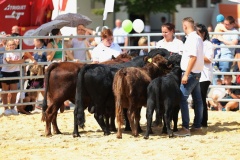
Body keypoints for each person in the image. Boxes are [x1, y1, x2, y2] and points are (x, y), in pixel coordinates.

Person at [173, 17, 204, 137]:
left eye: (183, 26)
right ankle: (197, 126)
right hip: (196, 73)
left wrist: (186, 74)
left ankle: (185, 128)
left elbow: (193, 57)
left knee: (182, 98)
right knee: (198, 99)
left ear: (185, 26)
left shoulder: (192, 39)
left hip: (190, 73)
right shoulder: (198, 38)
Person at [195, 23, 214, 127]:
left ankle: (203, 121)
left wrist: (196, 56)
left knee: (201, 98)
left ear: (203, 33)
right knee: (197, 99)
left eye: (198, 33)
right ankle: (198, 120)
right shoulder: (197, 44)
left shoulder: (208, 44)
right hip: (197, 74)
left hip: (205, 75)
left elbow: (208, 59)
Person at [1, 39, 25, 115]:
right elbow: (9, 61)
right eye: (10, 45)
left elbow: (23, 59)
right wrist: (18, 61)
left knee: (14, 92)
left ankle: (12, 108)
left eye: (13, 44)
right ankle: (6, 109)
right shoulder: (6, 53)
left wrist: (18, 61)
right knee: (5, 92)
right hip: (5, 73)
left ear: (15, 45)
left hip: (14, 73)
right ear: (7, 46)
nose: (12, 46)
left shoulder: (18, 51)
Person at [215, 16, 238, 84]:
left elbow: (234, 43)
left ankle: (225, 92)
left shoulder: (235, 32)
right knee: (216, 79)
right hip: (217, 57)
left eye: (227, 24)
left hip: (226, 57)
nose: (225, 25)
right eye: (224, 23)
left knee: (224, 79)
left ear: (233, 24)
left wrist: (222, 39)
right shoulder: (222, 29)